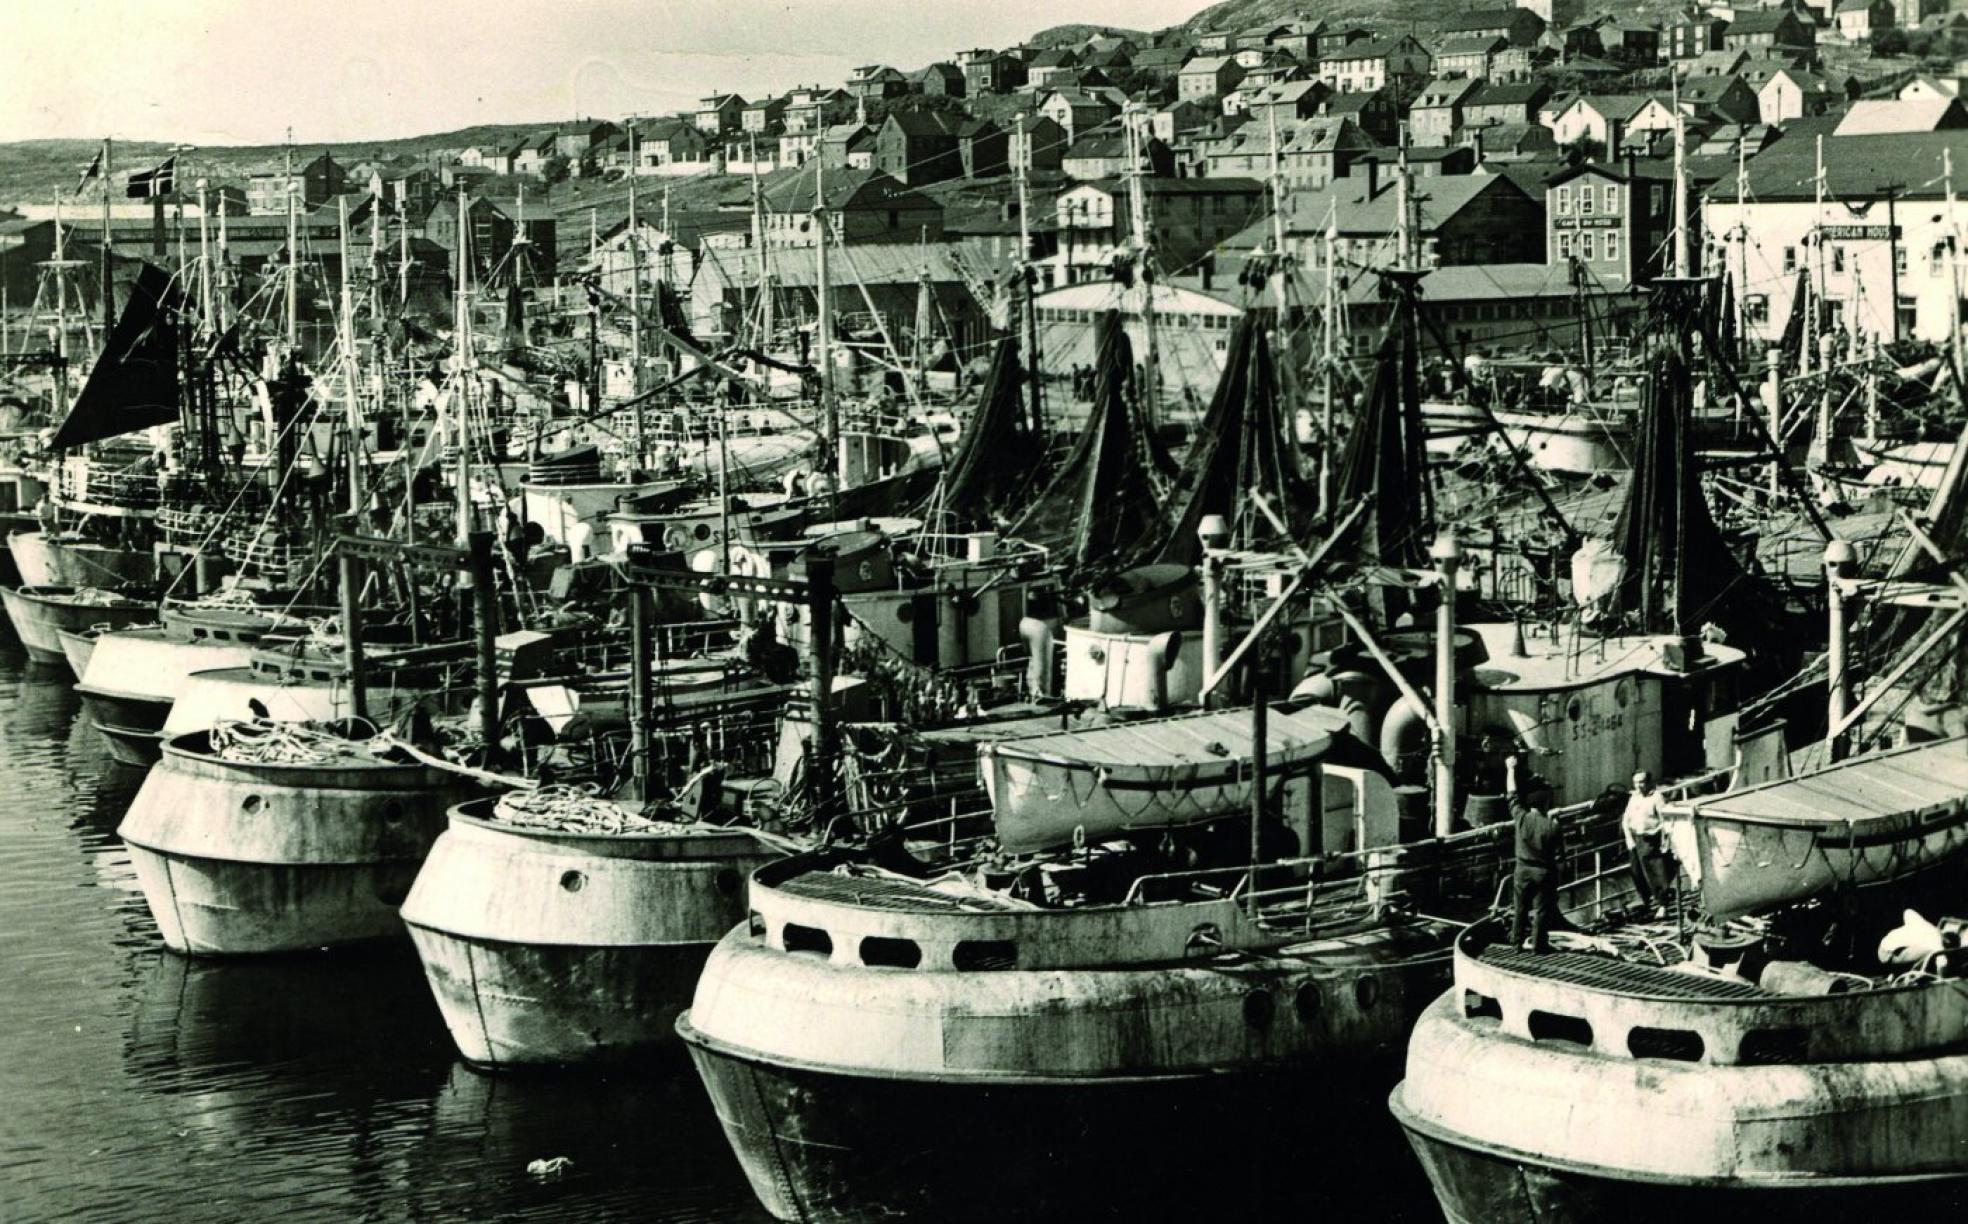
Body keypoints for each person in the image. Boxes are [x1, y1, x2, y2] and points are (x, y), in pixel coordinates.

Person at [1510, 776, 1562, 954]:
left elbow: (1512, 795)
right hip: (1543, 871)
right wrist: (1554, 821)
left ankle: (1516, 944)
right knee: (1541, 910)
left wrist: (1510, 770)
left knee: (1520, 908)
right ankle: (1538, 946)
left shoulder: (1521, 818)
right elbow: (1559, 854)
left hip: (1522, 869)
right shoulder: (1552, 826)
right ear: (1545, 804)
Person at [1623, 770, 1671, 913]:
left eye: (1642, 782)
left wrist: (1661, 837)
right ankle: (1646, 901)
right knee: (1636, 872)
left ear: (1649, 782)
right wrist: (1628, 838)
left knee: (1655, 871)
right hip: (1635, 839)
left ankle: (1663, 904)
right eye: (1636, 782)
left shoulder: (1657, 797)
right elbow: (1625, 820)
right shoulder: (1633, 798)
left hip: (1650, 838)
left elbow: (1665, 820)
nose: (1638, 786)